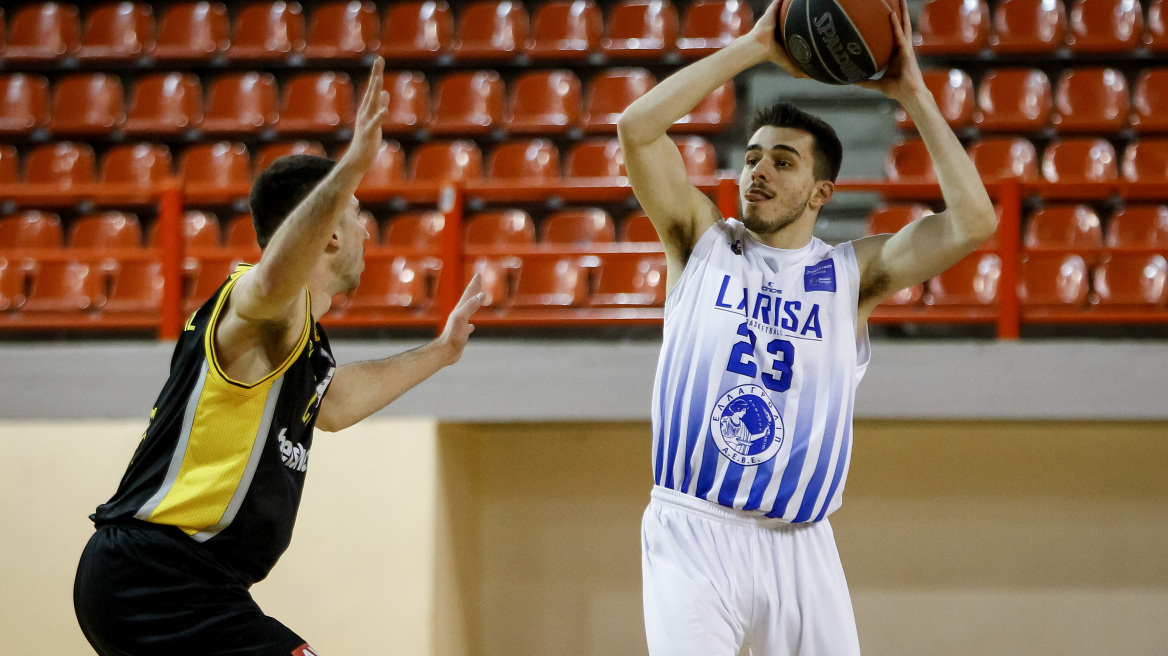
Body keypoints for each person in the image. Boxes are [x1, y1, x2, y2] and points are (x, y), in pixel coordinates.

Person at [617, 1, 997, 654]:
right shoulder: (699, 240)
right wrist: (752, 47)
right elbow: (636, 128)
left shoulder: (852, 276)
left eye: (783, 162)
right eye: (753, 157)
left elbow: (975, 224)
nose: (758, 171)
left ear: (822, 193)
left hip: (802, 545)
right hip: (692, 528)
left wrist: (913, 93)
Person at [73, 58, 484, 656]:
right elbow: (272, 283)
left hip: (193, 584)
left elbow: (337, 403)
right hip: (157, 577)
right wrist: (348, 173)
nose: (369, 229)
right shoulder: (254, 305)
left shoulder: (302, 347)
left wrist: (443, 352)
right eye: (356, 214)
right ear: (330, 235)